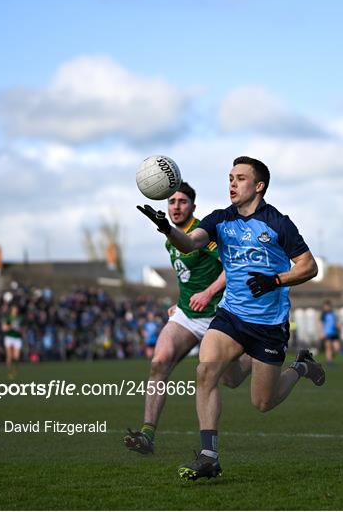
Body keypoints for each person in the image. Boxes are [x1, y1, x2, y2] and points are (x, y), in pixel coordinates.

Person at [137, 157, 325, 480]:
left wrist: (276, 280)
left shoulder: (279, 223)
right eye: (230, 178)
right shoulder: (220, 219)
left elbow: (309, 266)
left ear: (259, 186)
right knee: (207, 371)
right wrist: (167, 228)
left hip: (268, 324)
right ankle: (209, 456)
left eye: (240, 178)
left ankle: (300, 367)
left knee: (262, 402)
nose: (232, 184)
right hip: (231, 315)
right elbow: (191, 243)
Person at [125, 182, 252, 455]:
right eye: (171, 202)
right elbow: (189, 276)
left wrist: (207, 293)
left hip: (219, 315)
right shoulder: (170, 236)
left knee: (231, 379)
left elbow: (233, 267)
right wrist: (181, 301)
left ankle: (253, 352)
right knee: (159, 361)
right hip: (186, 314)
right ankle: (147, 435)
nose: (176, 206)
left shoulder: (203, 233)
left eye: (182, 201)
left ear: (193, 206)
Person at [1, 305, 23, 379]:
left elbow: (22, 329)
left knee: (16, 356)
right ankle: (9, 372)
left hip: (17, 338)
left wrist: (19, 329)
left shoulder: (20, 318)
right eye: (14, 309)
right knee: (9, 355)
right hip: (9, 337)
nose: (15, 311)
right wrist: (11, 326)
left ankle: (15, 370)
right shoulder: (8, 318)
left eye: (16, 309)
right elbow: (4, 328)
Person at [320, 300, 340, 365]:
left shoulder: (333, 314)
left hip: (334, 333)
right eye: (325, 306)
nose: (326, 308)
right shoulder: (323, 315)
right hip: (327, 333)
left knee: (337, 348)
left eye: (327, 306)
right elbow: (320, 324)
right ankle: (329, 361)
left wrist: (339, 327)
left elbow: (336, 322)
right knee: (328, 347)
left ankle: (330, 357)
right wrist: (321, 333)